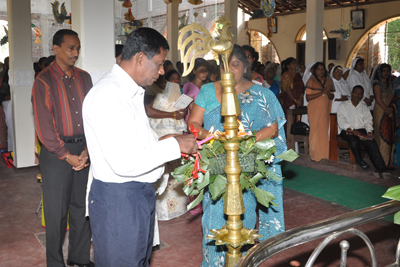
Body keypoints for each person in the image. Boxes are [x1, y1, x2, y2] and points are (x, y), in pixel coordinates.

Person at [82, 27, 198, 267]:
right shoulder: (109, 95)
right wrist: (176, 146)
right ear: (140, 58)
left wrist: (166, 140)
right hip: (119, 199)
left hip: (135, 195)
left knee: (137, 261)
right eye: (159, 63)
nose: (162, 70)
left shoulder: (129, 93)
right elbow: (126, 161)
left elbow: (137, 143)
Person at [188, 44, 286, 266]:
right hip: (216, 162)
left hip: (247, 163)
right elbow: (193, 123)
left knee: (244, 215)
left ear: (245, 67)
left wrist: (249, 141)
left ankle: (242, 262)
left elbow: (275, 126)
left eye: (235, 65)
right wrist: (214, 137)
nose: (229, 71)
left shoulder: (262, 94)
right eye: (225, 66)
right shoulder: (207, 91)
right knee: (213, 217)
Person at [31, 29, 93, 267]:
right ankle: (55, 263)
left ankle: (79, 257)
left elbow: (91, 116)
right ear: (55, 48)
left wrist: (87, 149)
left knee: (81, 207)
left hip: (84, 149)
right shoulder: (44, 81)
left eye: (77, 48)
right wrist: (67, 156)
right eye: (70, 47)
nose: (75, 53)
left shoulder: (85, 78)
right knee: (56, 213)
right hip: (57, 152)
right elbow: (44, 127)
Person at [337, 85, 391, 178]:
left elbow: (368, 120)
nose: (357, 95)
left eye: (360, 94)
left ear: (362, 96)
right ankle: (360, 161)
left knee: (372, 142)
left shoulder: (364, 106)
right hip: (347, 130)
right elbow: (341, 121)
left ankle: (381, 169)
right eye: (356, 93)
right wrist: (353, 131)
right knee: (354, 142)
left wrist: (369, 131)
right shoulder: (343, 105)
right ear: (352, 93)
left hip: (362, 130)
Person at [306, 62, 334, 162]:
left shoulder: (329, 81)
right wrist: (322, 92)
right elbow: (308, 97)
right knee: (315, 131)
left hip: (324, 109)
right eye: (319, 69)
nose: (321, 71)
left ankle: (324, 155)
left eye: (322, 69)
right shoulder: (311, 81)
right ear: (315, 70)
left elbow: (331, 96)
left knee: (323, 131)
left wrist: (328, 93)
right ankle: (315, 155)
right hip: (314, 109)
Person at [371, 63, 397, 169]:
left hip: (390, 111)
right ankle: (381, 163)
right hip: (381, 111)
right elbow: (378, 100)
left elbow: (394, 98)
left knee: (390, 135)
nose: (386, 73)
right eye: (384, 71)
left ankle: (388, 162)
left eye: (388, 71)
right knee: (382, 136)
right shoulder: (377, 84)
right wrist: (387, 110)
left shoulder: (391, 84)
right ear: (379, 72)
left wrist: (392, 109)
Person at [182, 58, 209, 122]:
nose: (205, 73)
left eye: (206, 70)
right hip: (193, 121)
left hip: (205, 119)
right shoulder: (189, 86)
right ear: (194, 71)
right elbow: (192, 111)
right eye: (201, 70)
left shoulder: (206, 86)